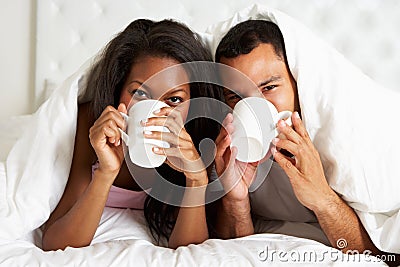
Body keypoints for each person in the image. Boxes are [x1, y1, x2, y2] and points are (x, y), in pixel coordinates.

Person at [213, 19, 398, 263]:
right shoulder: (229, 144)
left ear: (297, 81)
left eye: (268, 87)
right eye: (237, 96)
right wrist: (235, 198)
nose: (256, 106)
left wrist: (322, 198)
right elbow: (225, 253)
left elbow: (386, 258)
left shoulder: (346, 133)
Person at [42, 19, 223, 251]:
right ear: (119, 90)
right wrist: (106, 173)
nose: (154, 111)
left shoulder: (197, 137)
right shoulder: (94, 125)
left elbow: (191, 252)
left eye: (174, 99)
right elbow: (55, 243)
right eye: (140, 92)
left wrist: (196, 178)